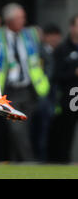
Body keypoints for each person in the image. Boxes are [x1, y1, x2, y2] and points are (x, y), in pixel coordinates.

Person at [0, 3, 50, 161]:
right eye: (20, 18)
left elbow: (46, 58)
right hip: (10, 90)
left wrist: (46, 78)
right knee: (16, 128)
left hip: (30, 90)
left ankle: (16, 163)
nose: (23, 21)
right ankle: (29, 162)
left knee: (24, 130)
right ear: (10, 20)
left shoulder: (31, 35)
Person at [49, 15, 78, 163]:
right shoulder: (62, 49)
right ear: (72, 27)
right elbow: (55, 75)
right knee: (66, 131)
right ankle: (63, 162)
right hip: (70, 97)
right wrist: (73, 73)